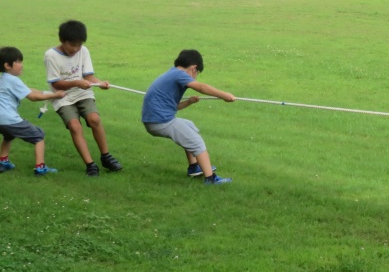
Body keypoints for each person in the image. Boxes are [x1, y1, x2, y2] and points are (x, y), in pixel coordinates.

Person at [141, 49, 236, 185]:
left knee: (189, 126)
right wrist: (224, 95)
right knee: (197, 142)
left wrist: (189, 102)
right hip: (160, 121)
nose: (195, 77)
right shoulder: (179, 74)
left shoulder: (171, 73)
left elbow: (171, 106)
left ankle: (194, 167)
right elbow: (201, 87)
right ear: (194, 68)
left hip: (155, 120)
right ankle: (210, 179)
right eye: (197, 74)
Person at [44, 20, 123, 177]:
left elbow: (89, 76)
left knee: (94, 119)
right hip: (62, 96)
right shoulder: (51, 56)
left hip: (83, 92)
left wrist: (99, 83)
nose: (75, 49)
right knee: (74, 126)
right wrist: (76, 82)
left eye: (78, 45)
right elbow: (57, 83)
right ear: (62, 40)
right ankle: (90, 165)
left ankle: (106, 156)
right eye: (71, 45)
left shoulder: (83, 51)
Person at [0, 47, 66, 176]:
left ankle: (3, 162)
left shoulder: (4, 79)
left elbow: (28, 90)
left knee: (9, 135)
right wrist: (55, 96)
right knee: (38, 135)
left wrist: (46, 92)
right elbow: (32, 97)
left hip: (1, 121)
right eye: (18, 62)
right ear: (7, 65)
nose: (22, 65)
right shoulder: (13, 80)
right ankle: (40, 168)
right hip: (9, 119)